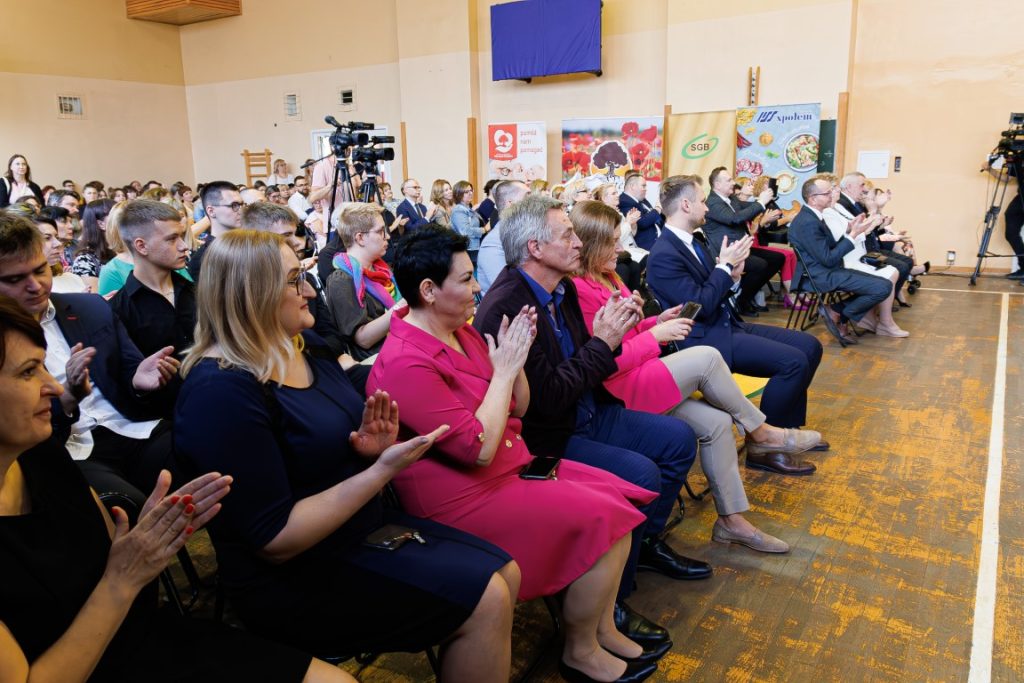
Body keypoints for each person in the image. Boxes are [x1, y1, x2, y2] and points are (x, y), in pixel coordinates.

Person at [174, 230, 518, 681]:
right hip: (294, 576)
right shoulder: (221, 391)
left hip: (357, 528)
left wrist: (368, 449)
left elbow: (332, 446)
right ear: (251, 294)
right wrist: (380, 471)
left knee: (506, 571)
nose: (309, 291)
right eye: (294, 280)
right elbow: (275, 541)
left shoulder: (305, 348)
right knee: (487, 598)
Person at [0, 295, 353, 683]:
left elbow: (114, 562)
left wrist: (144, 543)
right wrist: (124, 579)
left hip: (137, 636)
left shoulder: (42, 455)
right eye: (28, 372)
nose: (53, 386)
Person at [369, 227, 666, 682]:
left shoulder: (461, 332)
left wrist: (516, 360)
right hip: (461, 497)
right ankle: (581, 649)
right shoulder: (405, 360)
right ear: (428, 290)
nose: (477, 288)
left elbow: (520, 407)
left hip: (508, 467)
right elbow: (477, 448)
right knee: (604, 518)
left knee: (622, 499)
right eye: (465, 279)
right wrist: (505, 372)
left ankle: (601, 627)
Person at [475, 194, 708, 646]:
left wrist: (619, 331)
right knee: (641, 473)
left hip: (588, 410)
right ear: (535, 248)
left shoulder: (559, 289)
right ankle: (610, 600)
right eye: (567, 235)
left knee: (679, 439)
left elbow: (588, 362)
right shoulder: (509, 307)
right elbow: (547, 400)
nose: (578, 243)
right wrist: (604, 342)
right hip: (549, 435)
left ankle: (642, 545)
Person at [571, 199, 818, 520]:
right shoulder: (580, 289)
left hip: (644, 369)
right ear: (592, 245)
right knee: (707, 357)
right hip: (621, 387)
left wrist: (655, 322)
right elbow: (605, 360)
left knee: (718, 423)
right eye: (613, 242)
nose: (620, 248)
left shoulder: (609, 276)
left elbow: (627, 335)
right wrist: (654, 336)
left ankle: (732, 520)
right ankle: (761, 431)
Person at [0, 212, 181, 509]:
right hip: (68, 448)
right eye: (15, 279)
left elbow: (130, 372)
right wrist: (68, 398)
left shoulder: (90, 307)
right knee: (123, 507)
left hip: (130, 426)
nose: (35, 285)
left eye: (40, 270)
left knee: (209, 460)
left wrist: (140, 380)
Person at [646, 175, 829, 452]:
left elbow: (713, 292)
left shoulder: (692, 242)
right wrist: (724, 268)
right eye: (703, 201)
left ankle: (785, 430)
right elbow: (700, 306)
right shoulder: (664, 253)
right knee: (793, 363)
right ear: (686, 205)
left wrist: (732, 276)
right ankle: (766, 444)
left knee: (810, 346)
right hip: (704, 337)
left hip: (725, 323)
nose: (707, 207)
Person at [108, 200, 197, 408]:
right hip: (164, 414)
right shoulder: (118, 310)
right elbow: (122, 381)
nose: (184, 246)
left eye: (181, 236)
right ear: (141, 246)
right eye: (172, 239)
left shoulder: (197, 291)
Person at [789, 176, 894, 343]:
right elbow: (828, 259)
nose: (832, 195)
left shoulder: (814, 216)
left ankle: (836, 311)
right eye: (827, 193)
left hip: (829, 270)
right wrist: (852, 236)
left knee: (884, 283)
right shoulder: (808, 222)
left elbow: (828, 249)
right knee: (882, 287)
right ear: (813, 199)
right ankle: (839, 314)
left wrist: (850, 230)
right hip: (819, 276)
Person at [820, 178, 908, 337]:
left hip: (858, 253)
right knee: (889, 275)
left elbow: (857, 229)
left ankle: (878, 318)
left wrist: (872, 218)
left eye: (836, 188)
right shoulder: (828, 212)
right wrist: (872, 217)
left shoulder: (837, 208)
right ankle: (878, 320)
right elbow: (844, 237)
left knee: (893, 271)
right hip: (847, 259)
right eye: (833, 188)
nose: (837, 190)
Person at [702, 167, 785, 316]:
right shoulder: (713, 203)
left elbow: (747, 208)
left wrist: (766, 200)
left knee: (778, 258)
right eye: (729, 180)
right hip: (725, 253)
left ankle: (743, 294)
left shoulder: (731, 199)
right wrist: (761, 202)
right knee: (760, 265)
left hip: (740, 248)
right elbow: (736, 218)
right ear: (717, 185)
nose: (733, 183)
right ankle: (741, 301)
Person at [325, 203, 401, 361]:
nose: (387, 236)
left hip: (399, 345)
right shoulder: (341, 280)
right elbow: (363, 339)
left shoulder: (381, 269)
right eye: (380, 231)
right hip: (379, 359)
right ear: (360, 238)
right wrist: (402, 307)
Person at [476, 180, 529, 295]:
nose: (534, 202)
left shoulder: (523, 234)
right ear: (511, 204)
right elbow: (507, 289)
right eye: (527, 197)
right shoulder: (493, 243)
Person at [187, 181, 242, 281]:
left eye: (242, 204)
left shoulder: (246, 245)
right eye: (234, 205)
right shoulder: (203, 259)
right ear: (211, 211)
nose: (241, 210)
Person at [30, 213, 90, 293]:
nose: (58, 243)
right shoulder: (30, 286)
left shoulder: (72, 277)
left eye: (57, 237)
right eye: (47, 238)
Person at [71, 199, 116, 292]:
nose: (125, 220)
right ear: (101, 224)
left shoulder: (129, 250)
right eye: (117, 216)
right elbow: (97, 298)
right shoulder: (85, 261)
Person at [617, 173, 663, 251]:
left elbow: (653, 215)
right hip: (646, 245)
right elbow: (642, 222)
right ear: (632, 186)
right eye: (643, 186)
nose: (646, 189)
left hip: (659, 239)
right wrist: (658, 208)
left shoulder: (641, 199)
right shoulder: (624, 201)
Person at [450, 180, 485, 267]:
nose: (470, 193)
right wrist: (484, 229)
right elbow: (465, 231)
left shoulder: (468, 208)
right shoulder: (458, 210)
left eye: (471, 190)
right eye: (466, 192)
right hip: (467, 250)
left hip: (474, 249)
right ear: (458, 194)